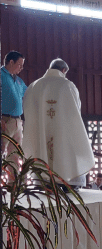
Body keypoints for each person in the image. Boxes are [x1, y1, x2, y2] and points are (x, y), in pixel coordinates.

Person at [23, 58, 95, 187]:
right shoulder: (67, 85)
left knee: (41, 149)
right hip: (61, 130)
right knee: (63, 149)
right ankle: (66, 182)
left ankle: (42, 181)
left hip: (40, 130)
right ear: (63, 70)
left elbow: (28, 111)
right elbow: (75, 110)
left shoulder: (34, 85)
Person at [1, 51, 26, 183]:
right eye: (19, 64)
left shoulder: (19, 80)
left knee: (15, 154)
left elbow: (28, 94)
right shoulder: (1, 75)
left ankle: (13, 184)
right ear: (11, 62)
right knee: (1, 151)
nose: (21, 68)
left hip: (17, 121)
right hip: (4, 120)